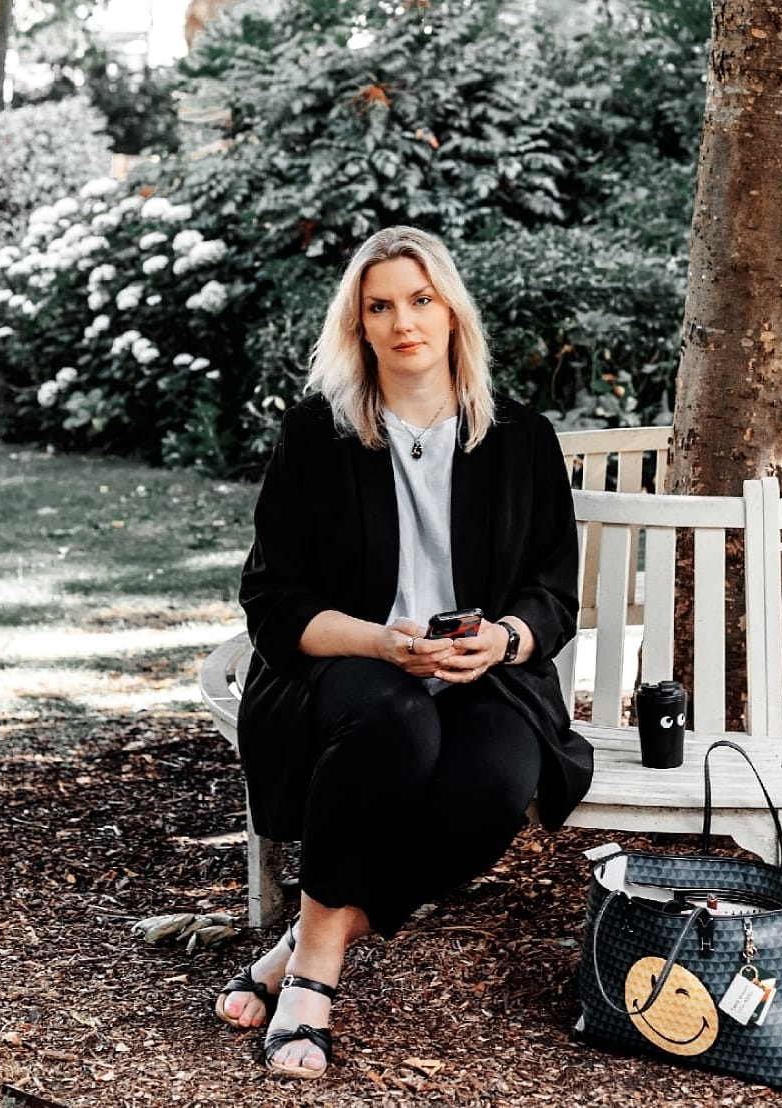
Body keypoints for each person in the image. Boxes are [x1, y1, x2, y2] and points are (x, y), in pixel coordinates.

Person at [214, 226, 594, 1079]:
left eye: (420, 300)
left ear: (452, 311)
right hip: (340, 669)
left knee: (496, 783)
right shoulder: (317, 435)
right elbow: (273, 599)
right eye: (379, 306)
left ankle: (304, 937)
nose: (403, 322)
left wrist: (502, 640)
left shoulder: (521, 438)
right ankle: (315, 978)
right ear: (358, 324)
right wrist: (381, 644)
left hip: (481, 674)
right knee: (396, 724)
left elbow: (552, 594)